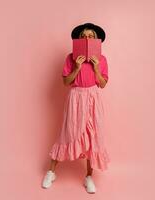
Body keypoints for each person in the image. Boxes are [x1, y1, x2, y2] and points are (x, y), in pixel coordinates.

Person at [42, 23, 110, 194]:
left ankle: (88, 177)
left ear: (96, 40)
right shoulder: (70, 58)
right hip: (76, 98)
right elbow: (66, 82)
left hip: (93, 98)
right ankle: (51, 172)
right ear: (79, 40)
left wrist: (95, 68)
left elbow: (102, 84)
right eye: (84, 36)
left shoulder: (101, 59)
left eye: (91, 36)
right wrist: (77, 67)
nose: (88, 38)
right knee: (67, 133)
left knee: (93, 136)